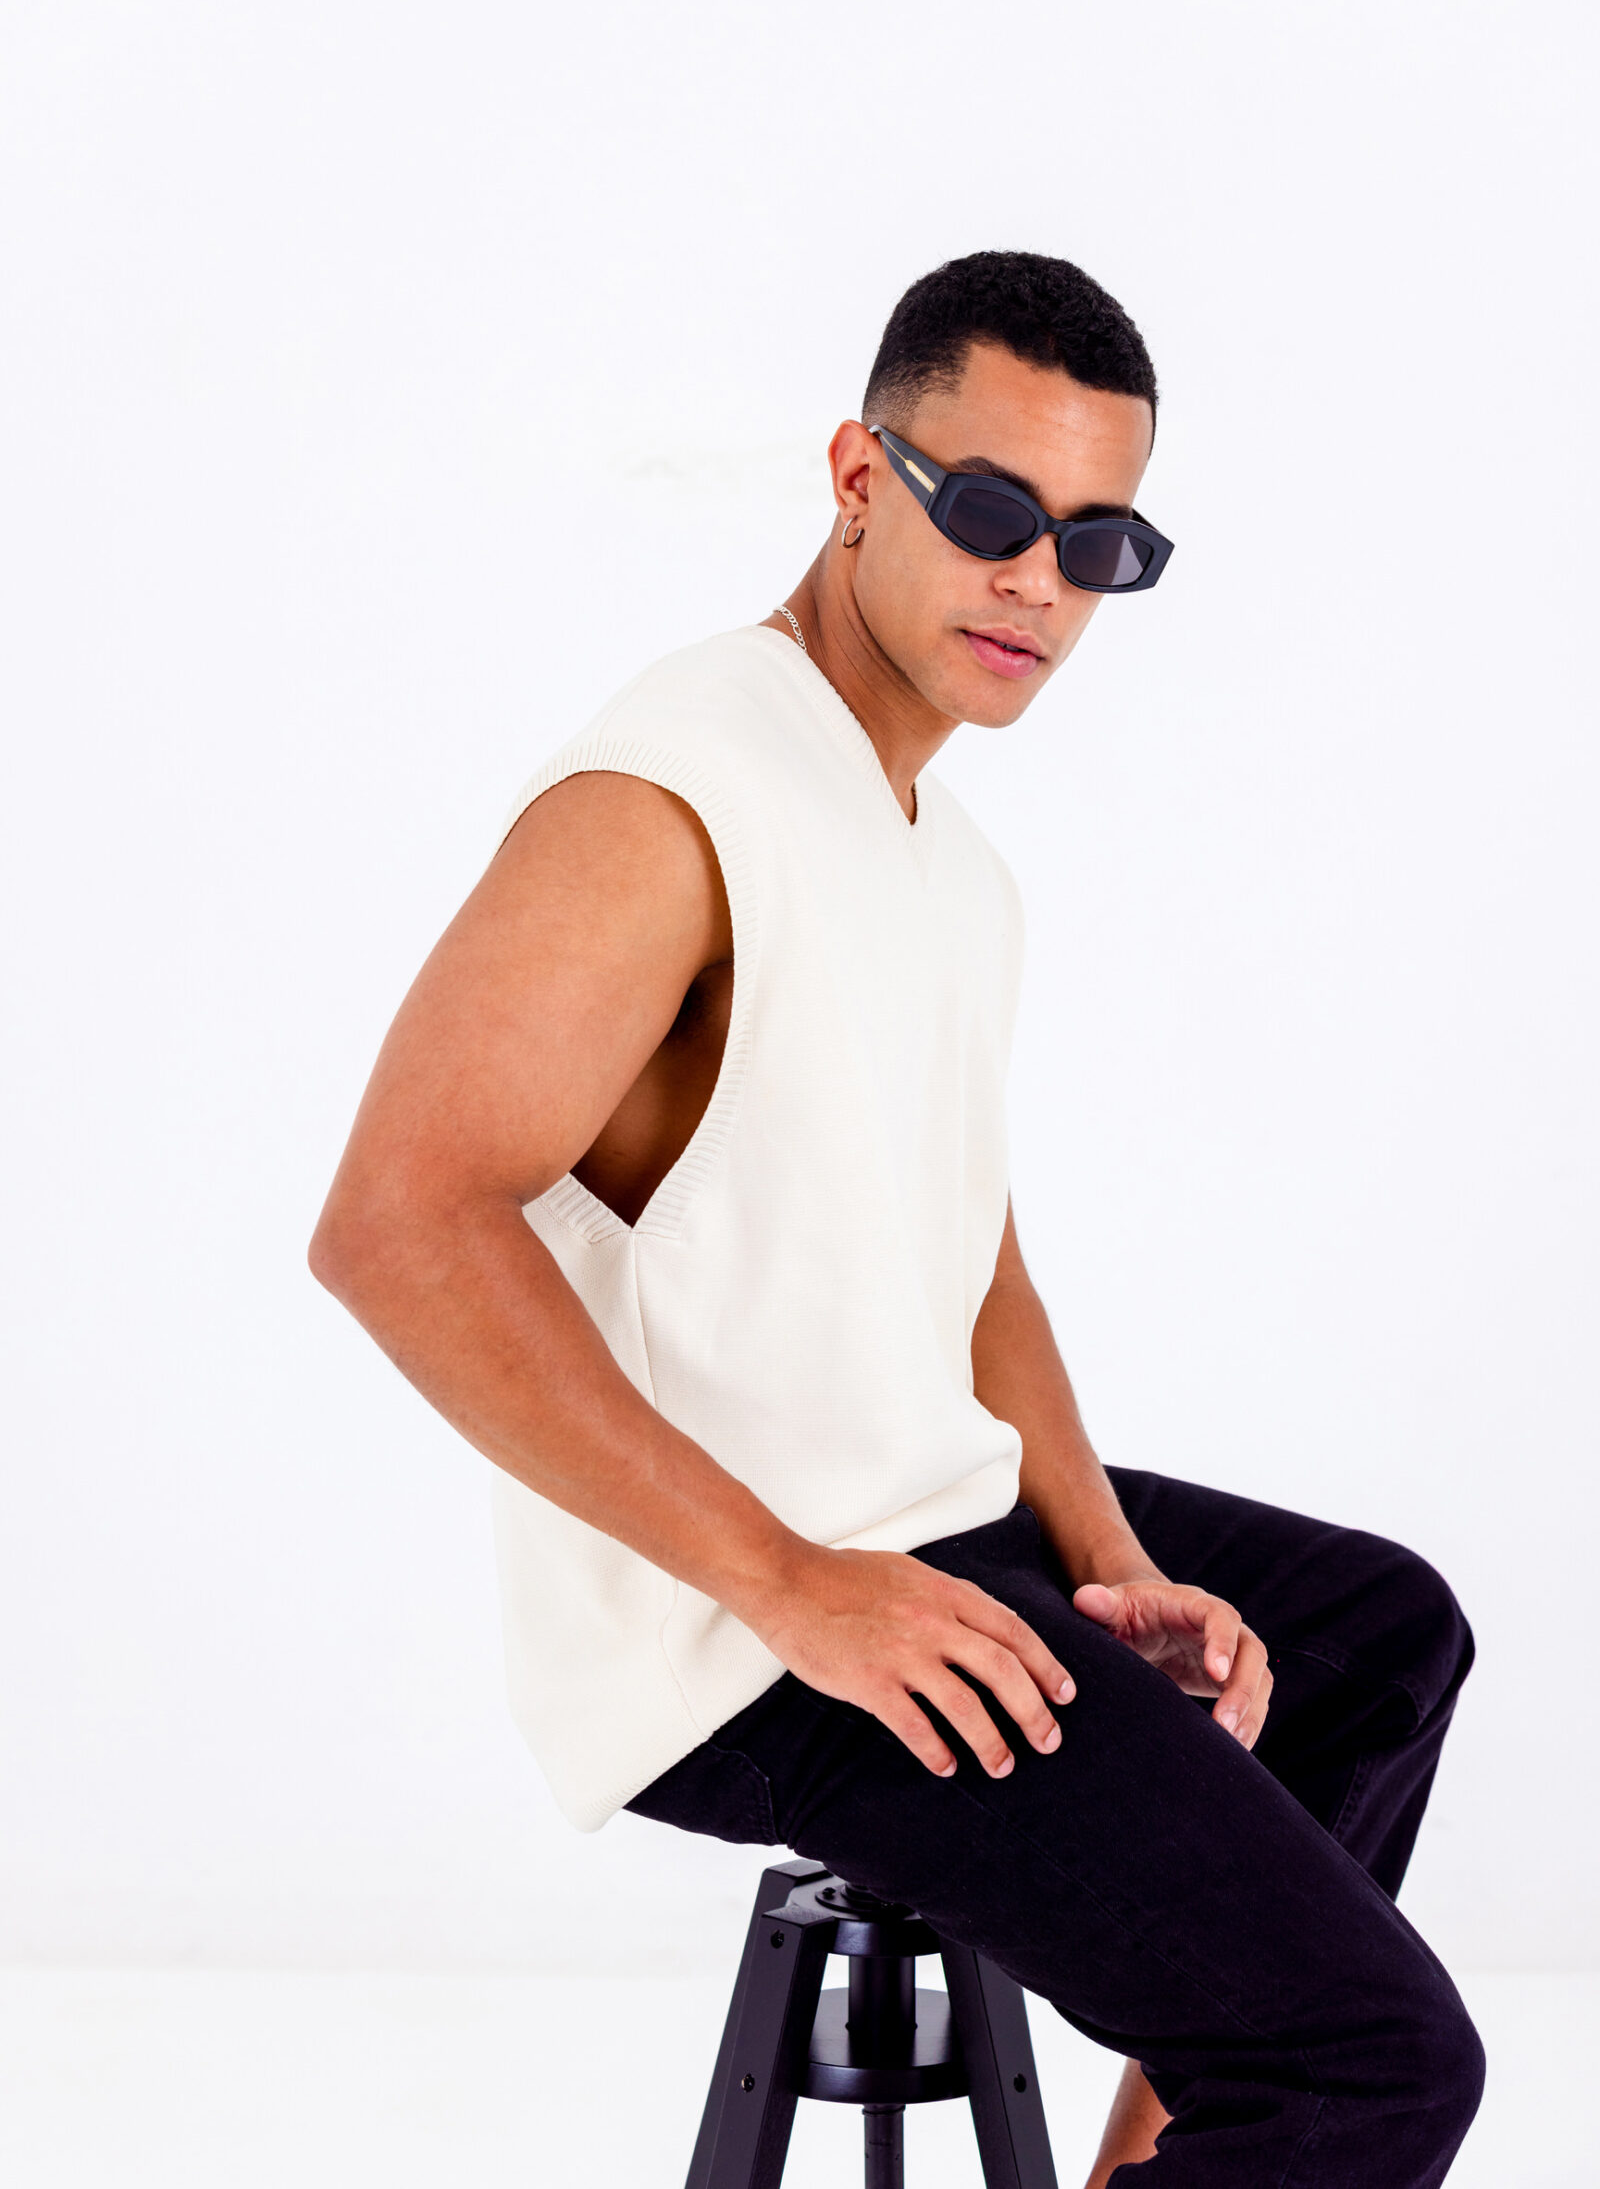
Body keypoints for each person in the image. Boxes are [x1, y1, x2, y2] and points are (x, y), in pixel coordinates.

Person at [309, 251, 1485, 2185]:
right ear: (861, 476)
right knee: (1376, 2062)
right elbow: (398, 1224)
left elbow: (973, 1260)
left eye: (1097, 544)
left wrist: (1108, 1560)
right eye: (994, 510)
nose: (1040, 582)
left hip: (914, 1529)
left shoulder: (950, 859)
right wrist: (792, 1584)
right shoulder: (670, 794)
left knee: (1368, 1638)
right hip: (741, 1623)